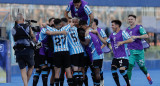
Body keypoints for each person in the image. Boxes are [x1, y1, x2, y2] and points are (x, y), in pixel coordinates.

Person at [92, 20, 133, 86]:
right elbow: (105, 42)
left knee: (121, 70)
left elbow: (131, 39)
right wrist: (98, 35)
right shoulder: (112, 35)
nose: (111, 26)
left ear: (117, 26)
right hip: (116, 57)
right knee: (113, 70)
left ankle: (128, 84)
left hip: (123, 56)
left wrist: (122, 42)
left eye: (113, 25)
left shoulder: (123, 32)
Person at [43, 19, 74, 86]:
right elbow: (72, 24)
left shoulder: (52, 30)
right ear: (61, 24)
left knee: (57, 72)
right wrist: (61, 32)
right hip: (65, 52)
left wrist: (52, 32)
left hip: (57, 52)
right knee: (68, 71)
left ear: (54, 24)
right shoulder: (65, 28)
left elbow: (43, 24)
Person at [126, 14, 153, 85]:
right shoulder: (126, 30)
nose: (130, 20)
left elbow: (146, 35)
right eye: (129, 19)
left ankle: (148, 76)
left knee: (142, 67)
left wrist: (136, 37)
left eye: (131, 19)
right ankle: (128, 83)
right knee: (129, 66)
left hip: (139, 51)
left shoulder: (139, 27)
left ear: (135, 20)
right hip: (131, 51)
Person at [12, 13, 35, 86]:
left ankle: (25, 84)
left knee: (22, 69)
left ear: (16, 20)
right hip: (28, 50)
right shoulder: (27, 27)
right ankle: (26, 84)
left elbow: (15, 38)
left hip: (18, 51)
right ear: (23, 19)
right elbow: (33, 37)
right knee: (31, 66)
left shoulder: (13, 29)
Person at [79, 20, 104, 86]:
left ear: (84, 25)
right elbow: (105, 42)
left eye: (81, 26)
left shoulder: (88, 32)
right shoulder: (93, 31)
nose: (81, 28)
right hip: (99, 54)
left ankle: (98, 84)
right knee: (97, 72)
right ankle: (99, 84)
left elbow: (86, 43)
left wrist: (79, 40)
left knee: (96, 72)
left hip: (95, 55)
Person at [33, 17, 55, 86]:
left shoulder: (46, 29)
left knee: (39, 69)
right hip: (40, 50)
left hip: (43, 51)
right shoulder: (45, 29)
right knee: (44, 68)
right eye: (53, 22)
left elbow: (36, 39)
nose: (54, 23)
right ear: (49, 22)